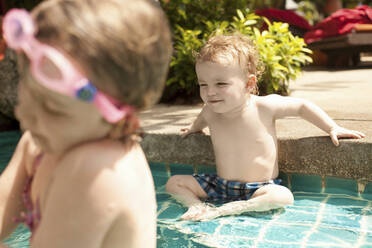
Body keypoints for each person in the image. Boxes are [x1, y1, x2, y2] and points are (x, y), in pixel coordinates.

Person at [0, 0, 172, 247]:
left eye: (53, 110)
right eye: (27, 91)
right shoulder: (37, 145)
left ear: (121, 117)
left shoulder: (95, 172)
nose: (26, 114)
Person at [165, 34, 365, 222]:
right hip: (220, 185)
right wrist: (193, 127)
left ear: (249, 84)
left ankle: (231, 209)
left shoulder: (265, 107)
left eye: (220, 84)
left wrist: (332, 127)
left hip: (260, 188)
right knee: (174, 183)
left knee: (283, 197)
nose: (210, 92)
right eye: (203, 84)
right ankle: (196, 206)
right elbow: (201, 119)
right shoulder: (210, 111)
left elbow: (302, 106)